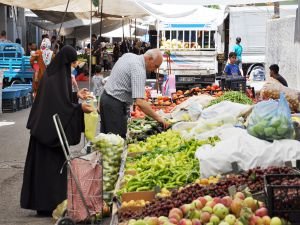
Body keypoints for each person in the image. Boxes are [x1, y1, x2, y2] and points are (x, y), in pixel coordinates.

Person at [20, 45, 94, 216]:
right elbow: (59, 107)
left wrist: (76, 96)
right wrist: (79, 108)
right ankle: (48, 204)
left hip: (45, 131)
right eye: (72, 63)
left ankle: (50, 204)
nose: (73, 66)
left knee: (48, 170)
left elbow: (60, 99)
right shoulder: (55, 78)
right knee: (49, 171)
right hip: (48, 134)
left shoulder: (55, 75)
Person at [100, 48, 169, 138]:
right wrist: (159, 118)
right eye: (155, 66)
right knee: (116, 141)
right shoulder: (139, 70)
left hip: (106, 98)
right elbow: (140, 102)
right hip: (115, 105)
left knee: (106, 139)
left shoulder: (129, 56)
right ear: (149, 59)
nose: (155, 70)